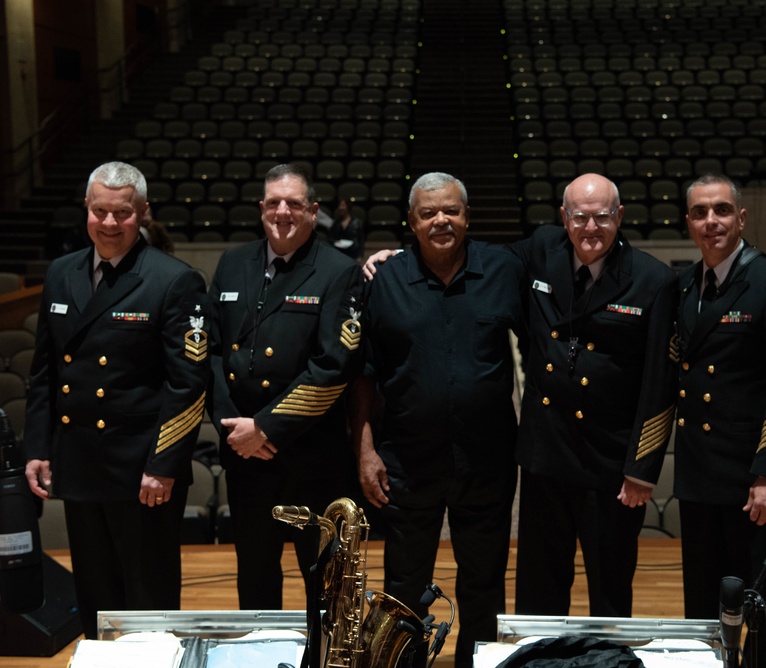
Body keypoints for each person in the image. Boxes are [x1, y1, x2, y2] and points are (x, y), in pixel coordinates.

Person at [23, 161, 209, 638]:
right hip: (81, 460)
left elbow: (187, 384)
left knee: (148, 600)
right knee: (96, 598)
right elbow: (45, 371)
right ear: (86, 209)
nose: (109, 223)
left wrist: (163, 465)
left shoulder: (172, 279)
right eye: (99, 211)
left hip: (141, 469)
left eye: (121, 213)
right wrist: (39, 449)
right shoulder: (62, 272)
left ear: (142, 213)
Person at [353, 172, 525, 668]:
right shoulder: (382, 280)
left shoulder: (503, 269)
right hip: (406, 461)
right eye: (428, 213)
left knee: (484, 582)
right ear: (412, 222)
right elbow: (363, 376)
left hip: (487, 460)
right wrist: (364, 450)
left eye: (450, 210)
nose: (440, 220)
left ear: (467, 217)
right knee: (403, 585)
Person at [510, 173, 678, 618]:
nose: (590, 228)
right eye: (580, 217)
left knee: (609, 584)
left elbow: (660, 382)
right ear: (564, 218)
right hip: (546, 456)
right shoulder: (541, 251)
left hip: (610, 464)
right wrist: (402, 258)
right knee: (538, 586)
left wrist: (642, 469)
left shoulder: (653, 280)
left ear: (619, 217)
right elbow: (479, 258)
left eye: (602, 217)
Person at [207, 163, 363, 609]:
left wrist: (265, 428)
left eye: (294, 203)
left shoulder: (337, 270)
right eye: (273, 202)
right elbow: (211, 353)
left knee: (324, 586)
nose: (282, 211)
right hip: (244, 457)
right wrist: (234, 430)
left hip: (310, 458)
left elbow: (334, 366)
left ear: (313, 211)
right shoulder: (234, 263)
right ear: (261, 209)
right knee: (254, 577)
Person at [673, 174, 766, 667]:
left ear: (741, 217)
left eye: (722, 210)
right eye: (700, 212)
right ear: (687, 221)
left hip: (754, 483)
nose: (712, 221)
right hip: (698, 476)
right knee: (703, 609)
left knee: (761, 609)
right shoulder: (686, 285)